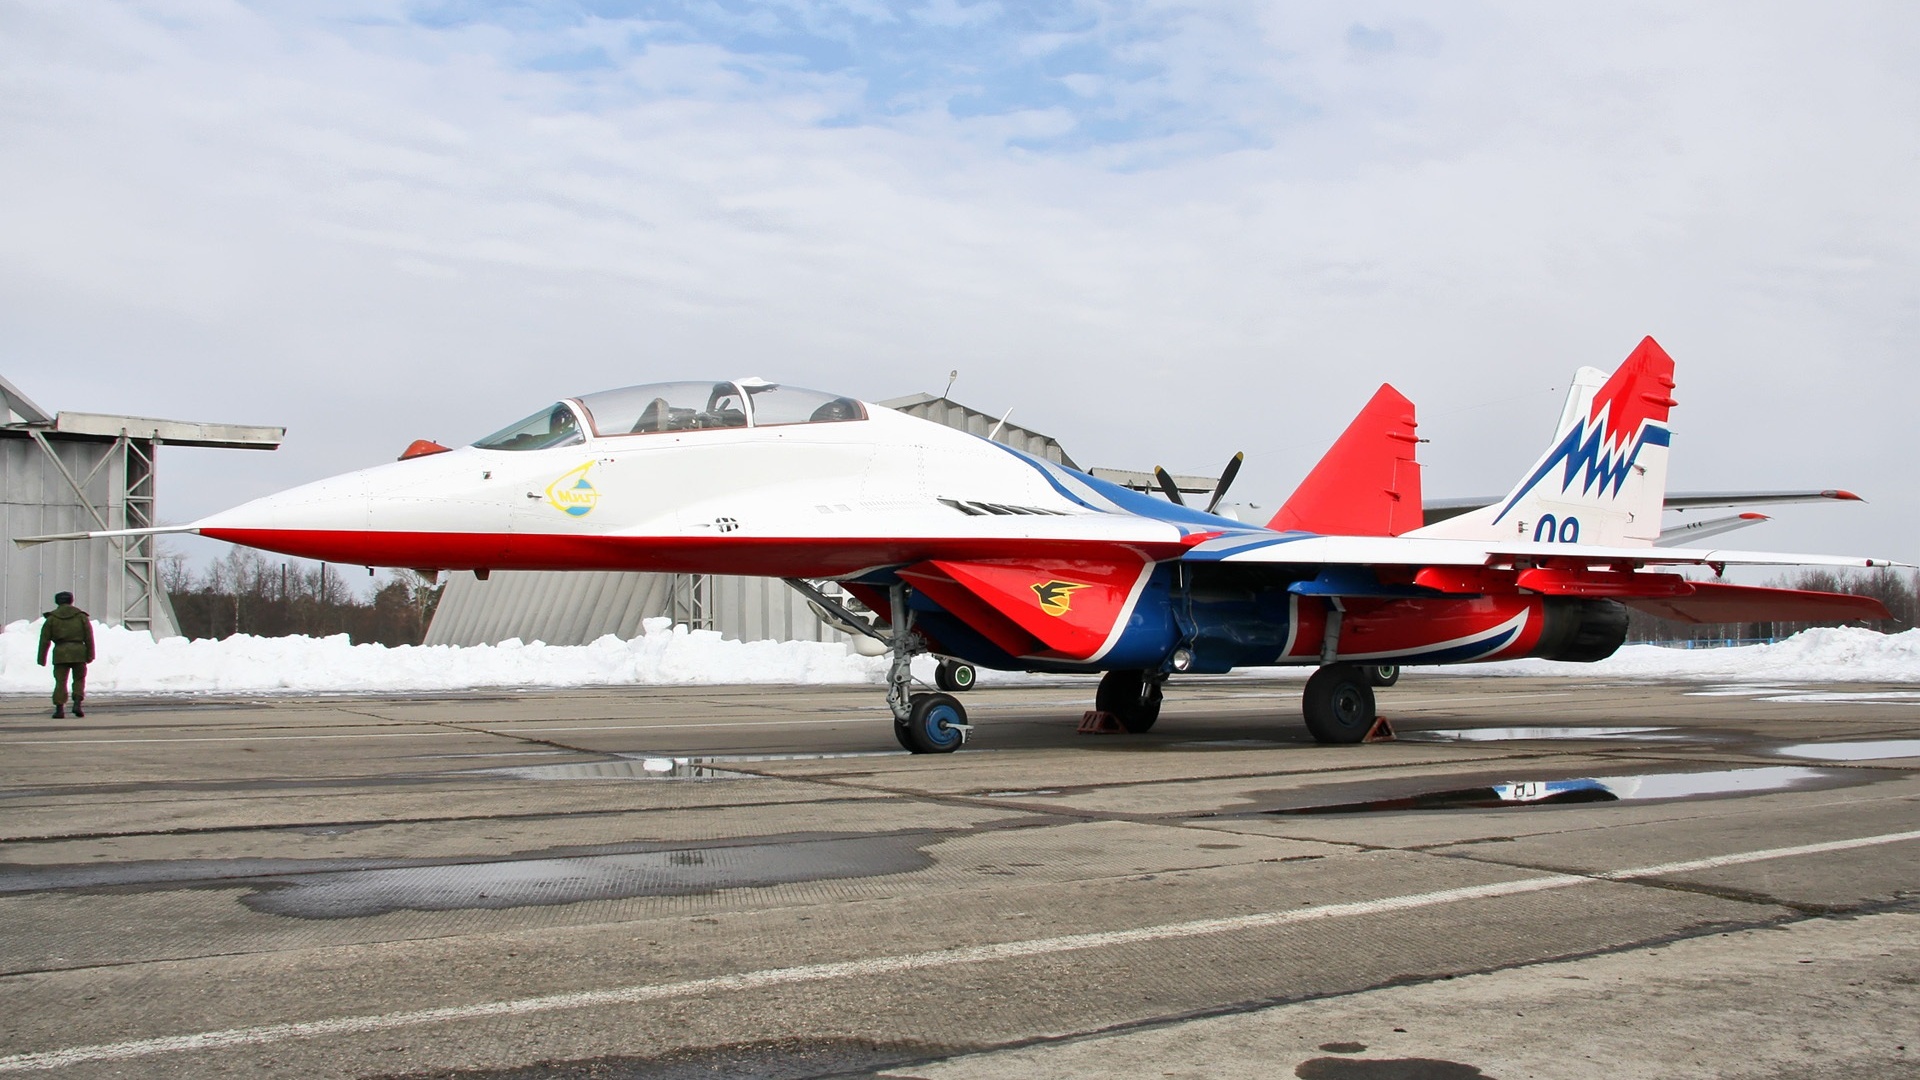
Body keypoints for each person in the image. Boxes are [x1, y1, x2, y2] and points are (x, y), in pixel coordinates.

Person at [36, 591, 95, 719]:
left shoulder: (52, 618)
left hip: (60, 653)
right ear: (71, 600)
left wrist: (42, 658)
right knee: (79, 679)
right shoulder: (81, 617)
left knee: (60, 681)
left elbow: (44, 640)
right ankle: (77, 703)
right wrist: (90, 654)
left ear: (57, 601)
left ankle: (59, 709)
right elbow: (89, 637)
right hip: (79, 652)